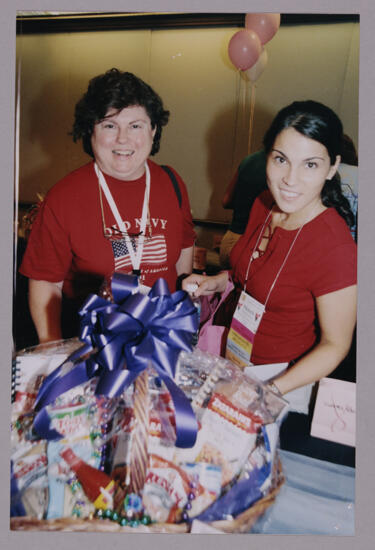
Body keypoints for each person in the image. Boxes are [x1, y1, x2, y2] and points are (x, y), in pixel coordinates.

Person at [183, 100, 357, 397]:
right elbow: (250, 274)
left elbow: (336, 345)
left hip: (283, 383)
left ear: (333, 168)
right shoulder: (264, 204)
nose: (290, 179)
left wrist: (267, 392)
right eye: (281, 159)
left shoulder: (335, 246)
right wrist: (217, 281)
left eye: (310, 164)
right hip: (234, 363)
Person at [20, 68, 196, 344]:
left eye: (135, 125)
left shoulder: (171, 183)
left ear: (153, 130)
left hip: (163, 340)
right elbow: (45, 281)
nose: (123, 139)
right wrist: (51, 345)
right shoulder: (64, 197)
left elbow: (184, 249)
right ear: (91, 130)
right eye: (109, 125)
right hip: (95, 345)